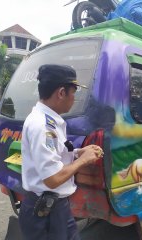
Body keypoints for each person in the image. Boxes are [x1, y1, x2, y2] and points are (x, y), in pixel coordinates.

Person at [19, 64, 103, 240]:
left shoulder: (51, 121)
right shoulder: (42, 126)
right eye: (74, 92)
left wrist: (79, 152)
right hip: (46, 215)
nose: (74, 98)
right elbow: (52, 179)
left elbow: (60, 151)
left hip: (56, 209)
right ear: (61, 93)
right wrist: (83, 161)